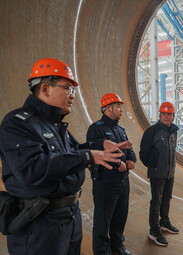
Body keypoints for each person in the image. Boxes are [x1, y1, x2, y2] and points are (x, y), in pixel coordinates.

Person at [0, 58, 123, 255]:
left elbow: (72, 152)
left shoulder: (55, 125)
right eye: (68, 88)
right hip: (39, 226)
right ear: (46, 89)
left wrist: (100, 146)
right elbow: (33, 170)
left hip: (69, 218)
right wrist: (88, 156)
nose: (73, 95)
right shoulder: (18, 124)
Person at [86, 93, 136, 255]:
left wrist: (131, 159)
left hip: (122, 181)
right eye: (118, 106)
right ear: (107, 108)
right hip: (105, 182)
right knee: (103, 220)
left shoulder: (121, 130)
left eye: (121, 106)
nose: (121, 109)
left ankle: (117, 245)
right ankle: (102, 251)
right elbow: (94, 150)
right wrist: (117, 164)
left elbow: (128, 148)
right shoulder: (96, 129)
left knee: (120, 215)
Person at [139, 102, 179, 247]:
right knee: (156, 201)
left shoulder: (174, 131)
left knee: (167, 198)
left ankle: (164, 222)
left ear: (173, 116)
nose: (166, 117)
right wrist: (154, 166)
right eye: (164, 114)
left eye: (169, 114)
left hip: (170, 172)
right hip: (157, 173)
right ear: (160, 115)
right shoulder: (152, 131)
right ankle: (154, 230)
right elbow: (143, 153)